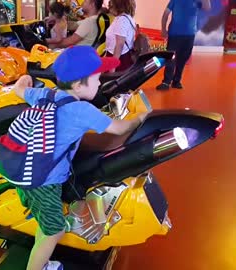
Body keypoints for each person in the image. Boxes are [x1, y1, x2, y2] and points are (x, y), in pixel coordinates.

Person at [11, 45, 148, 270]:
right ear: (77, 85)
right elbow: (120, 128)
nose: (99, 82)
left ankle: (41, 260)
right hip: (43, 183)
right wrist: (141, 117)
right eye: (96, 79)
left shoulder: (45, 94)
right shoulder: (82, 110)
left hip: (25, 172)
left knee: (46, 224)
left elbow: (19, 90)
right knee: (54, 231)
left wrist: (24, 80)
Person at [156, 0, 211, 90]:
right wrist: (163, 29)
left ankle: (176, 81)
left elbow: (207, 7)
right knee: (170, 58)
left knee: (183, 58)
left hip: (189, 35)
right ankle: (166, 82)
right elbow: (165, 14)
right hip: (174, 34)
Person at [105, 0, 137, 72]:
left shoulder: (122, 20)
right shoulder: (125, 18)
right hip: (120, 57)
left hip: (119, 59)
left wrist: (112, 66)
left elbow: (119, 44)